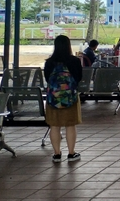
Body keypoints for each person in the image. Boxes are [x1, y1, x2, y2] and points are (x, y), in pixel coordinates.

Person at [44, 35, 83, 163]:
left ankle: (56, 154)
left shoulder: (49, 62)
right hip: (70, 98)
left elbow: (47, 79)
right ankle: (71, 153)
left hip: (53, 99)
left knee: (54, 126)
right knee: (70, 125)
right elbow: (78, 78)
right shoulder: (74, 61)